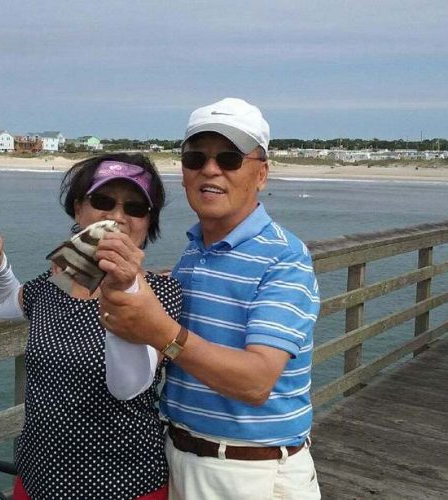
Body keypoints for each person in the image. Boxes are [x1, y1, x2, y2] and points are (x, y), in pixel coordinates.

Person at [100, 98, 321, 499]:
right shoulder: (194, 252)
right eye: (195, 157)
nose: (210, 169)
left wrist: (159, 330)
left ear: (261, 173)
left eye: (230, 159)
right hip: (178, 456)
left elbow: (256, 382)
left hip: (250, 471)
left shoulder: (285, 258)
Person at [0, 153, 182, 500]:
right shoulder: (56, 283)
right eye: (103, 201)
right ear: (79, 209)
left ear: (147, 223)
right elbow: (5, 305)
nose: (117, 217)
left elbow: (128, 386)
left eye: (135, 208)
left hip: (124, 484)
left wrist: (123, 288)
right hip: (38, 478)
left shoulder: (161, 293)